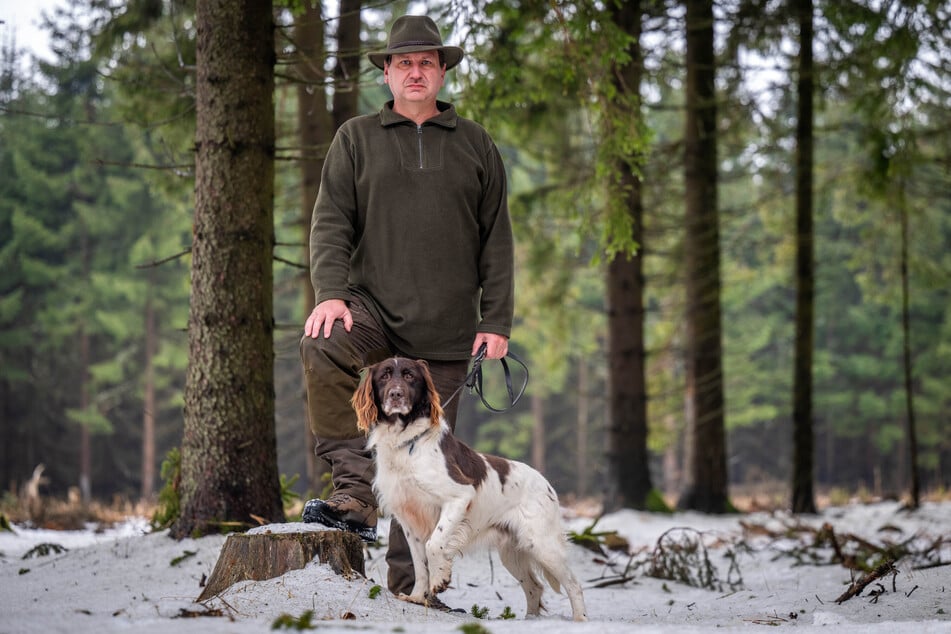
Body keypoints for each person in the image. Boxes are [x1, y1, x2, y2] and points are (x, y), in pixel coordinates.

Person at [299, 15, 514, 598]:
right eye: (403, 63)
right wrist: (332, 295)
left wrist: (496, 321)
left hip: (446, 334)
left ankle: (410, 593)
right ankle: (355, 492)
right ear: (387, 73)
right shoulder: (356, 139)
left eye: (426, 63)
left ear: (441, 71)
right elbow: (331, 222)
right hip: (372, 316)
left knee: (426, 475)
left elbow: (497, 237)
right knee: (322, 342)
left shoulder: (475, 143)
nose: (415, 72)